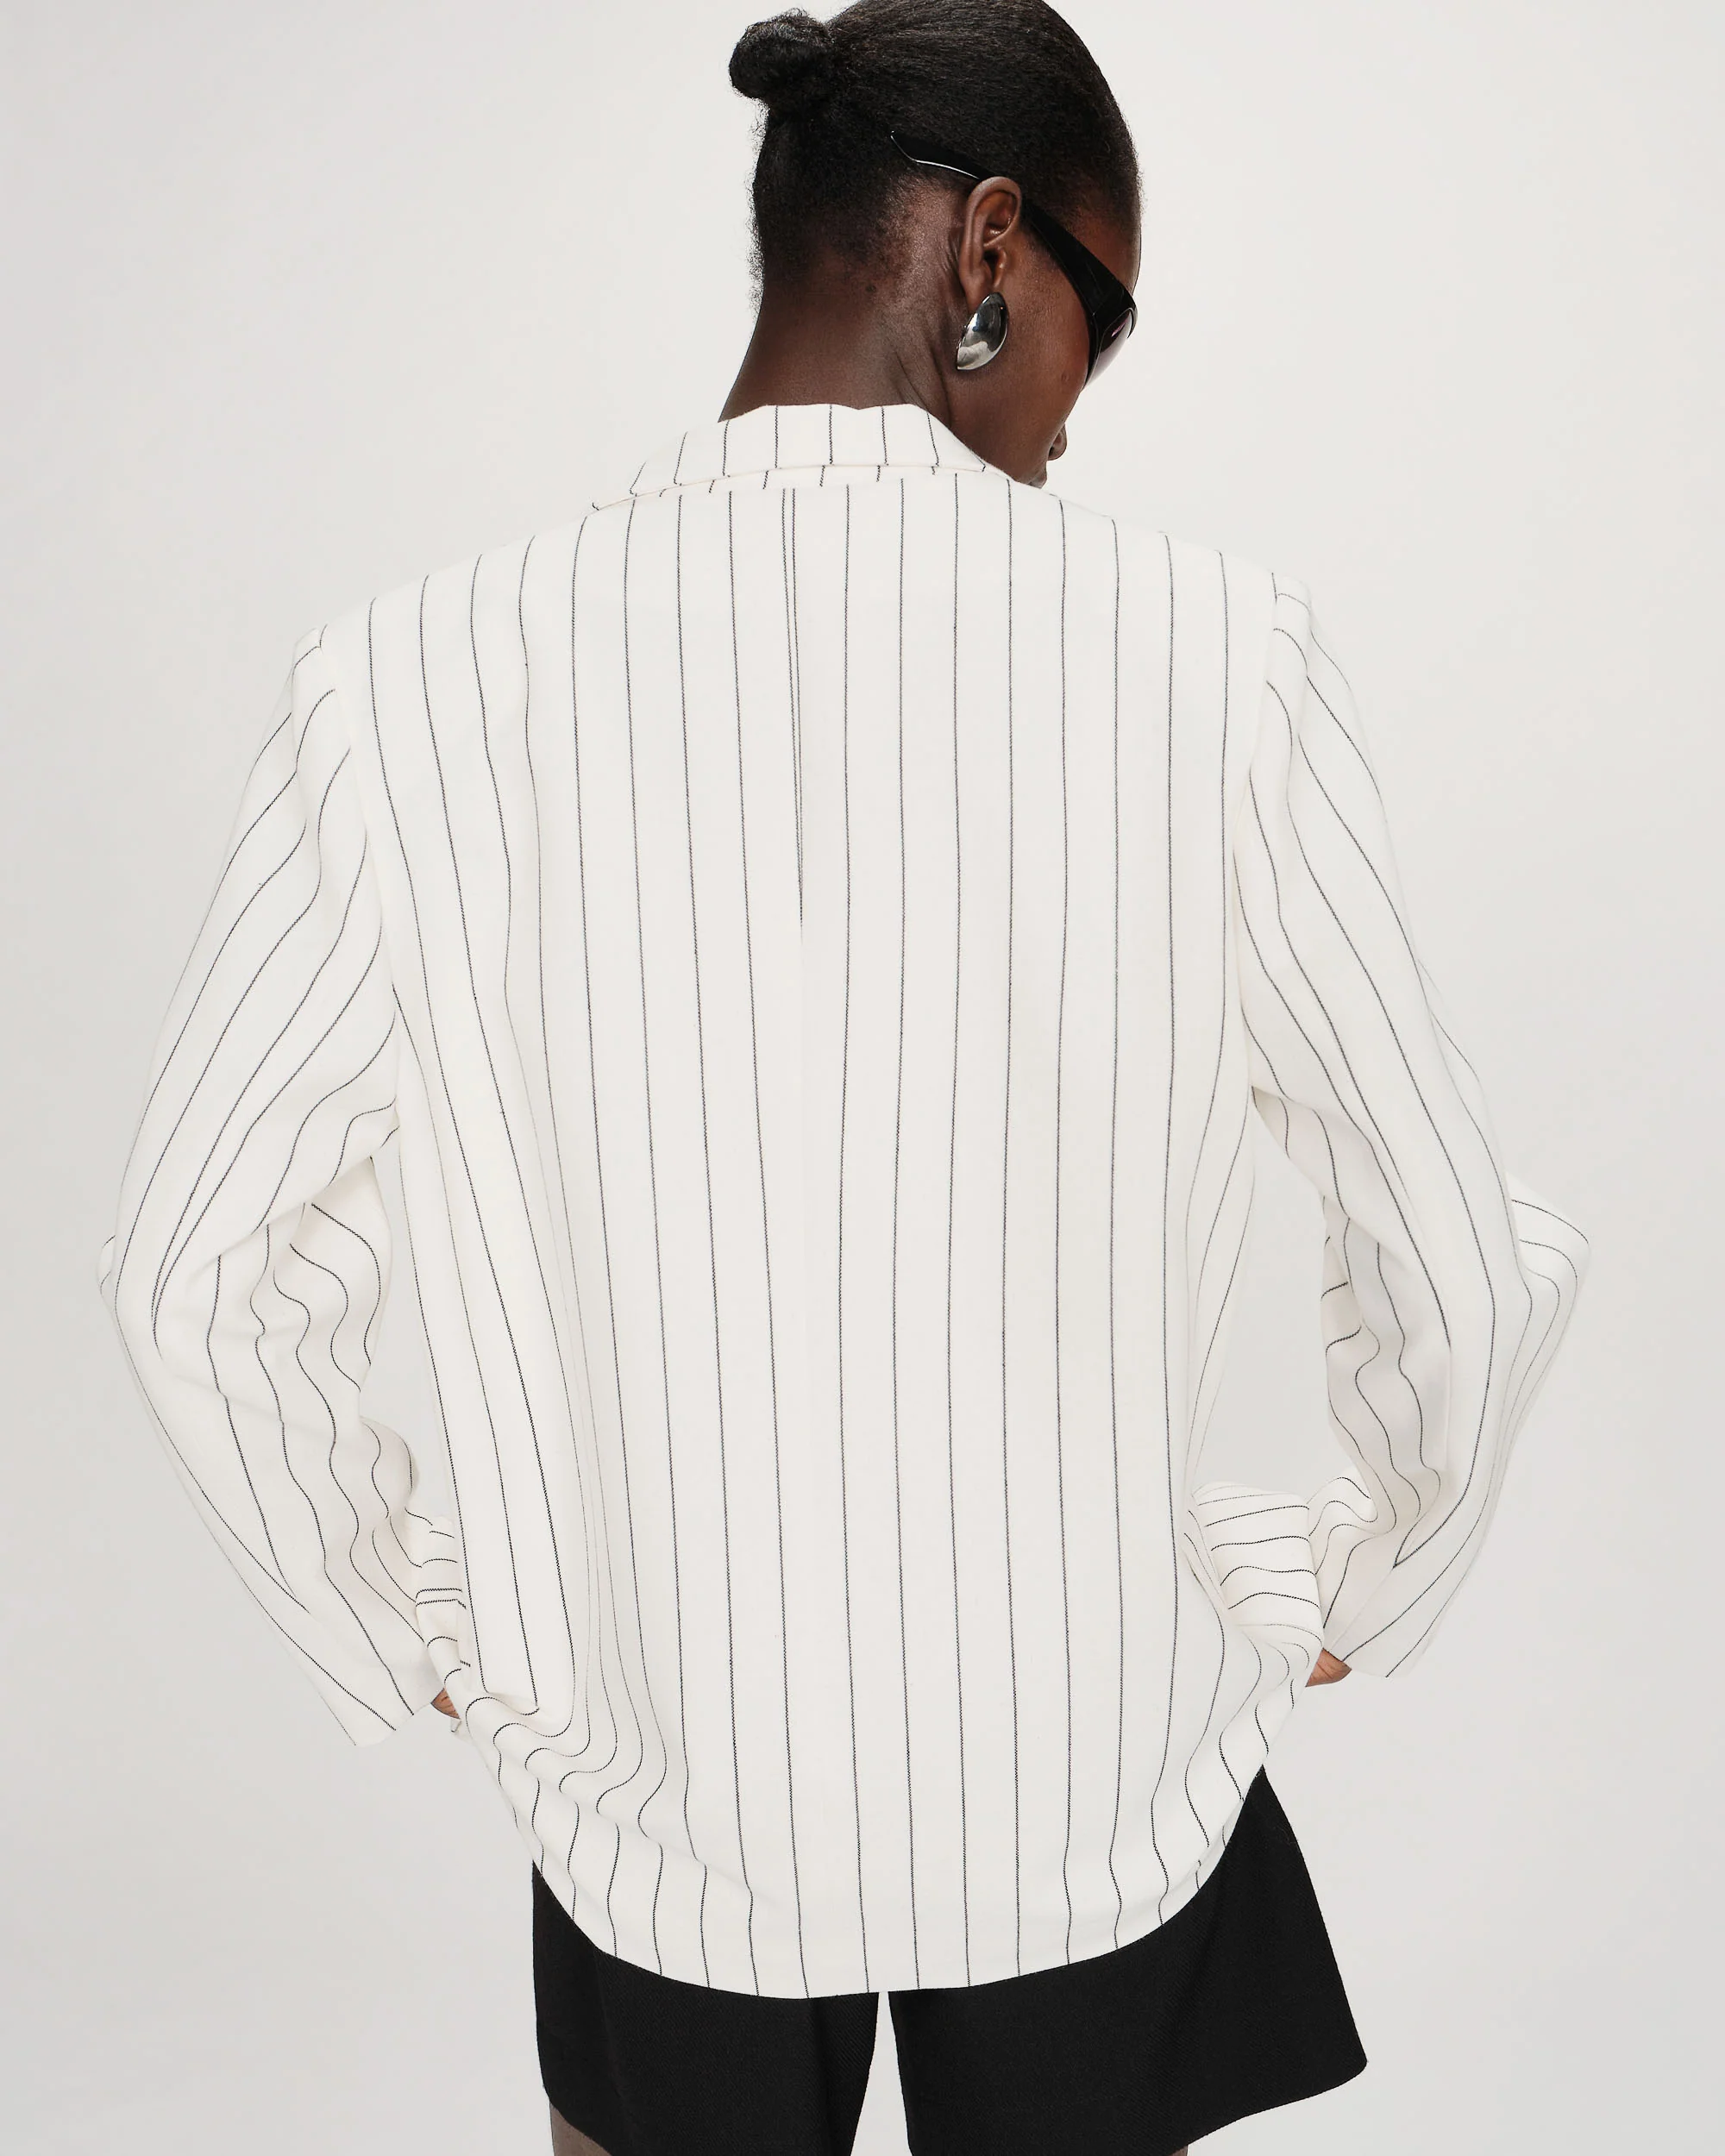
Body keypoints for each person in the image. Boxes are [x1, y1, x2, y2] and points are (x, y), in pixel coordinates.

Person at [94, 3, 1590, 2152]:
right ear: (987, 248)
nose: (1083, 397)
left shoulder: (410, 686)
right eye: (1100, 315)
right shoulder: (1212, 659)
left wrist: (420, 1608)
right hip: (1088, 1775)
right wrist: (1372, 1561)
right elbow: (1447, 1236)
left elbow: (197, 1267)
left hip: (656, 1807)